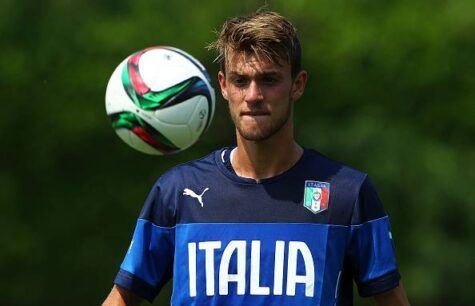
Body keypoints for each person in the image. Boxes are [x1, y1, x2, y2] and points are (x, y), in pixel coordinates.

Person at [103, 10, 410, 306]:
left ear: (297, 85)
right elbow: (123, 297)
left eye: (269, 80)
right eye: (240, 81)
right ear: (223, 86)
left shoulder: (348, 193)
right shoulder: (178, 191)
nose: (253, 95)